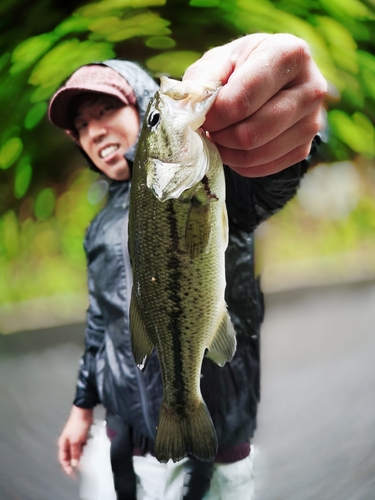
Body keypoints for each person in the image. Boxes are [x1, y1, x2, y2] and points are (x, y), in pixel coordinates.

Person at [49, 33, 327, 499]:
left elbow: (274, 177)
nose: (94, 130)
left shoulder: (218, 181)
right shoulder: (97, 228)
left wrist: (288, 122)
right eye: (81, 123)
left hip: (217, 442)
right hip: (124, 442)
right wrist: (82, 409)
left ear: (140, 107)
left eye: (105, 110)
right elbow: (99, 323)